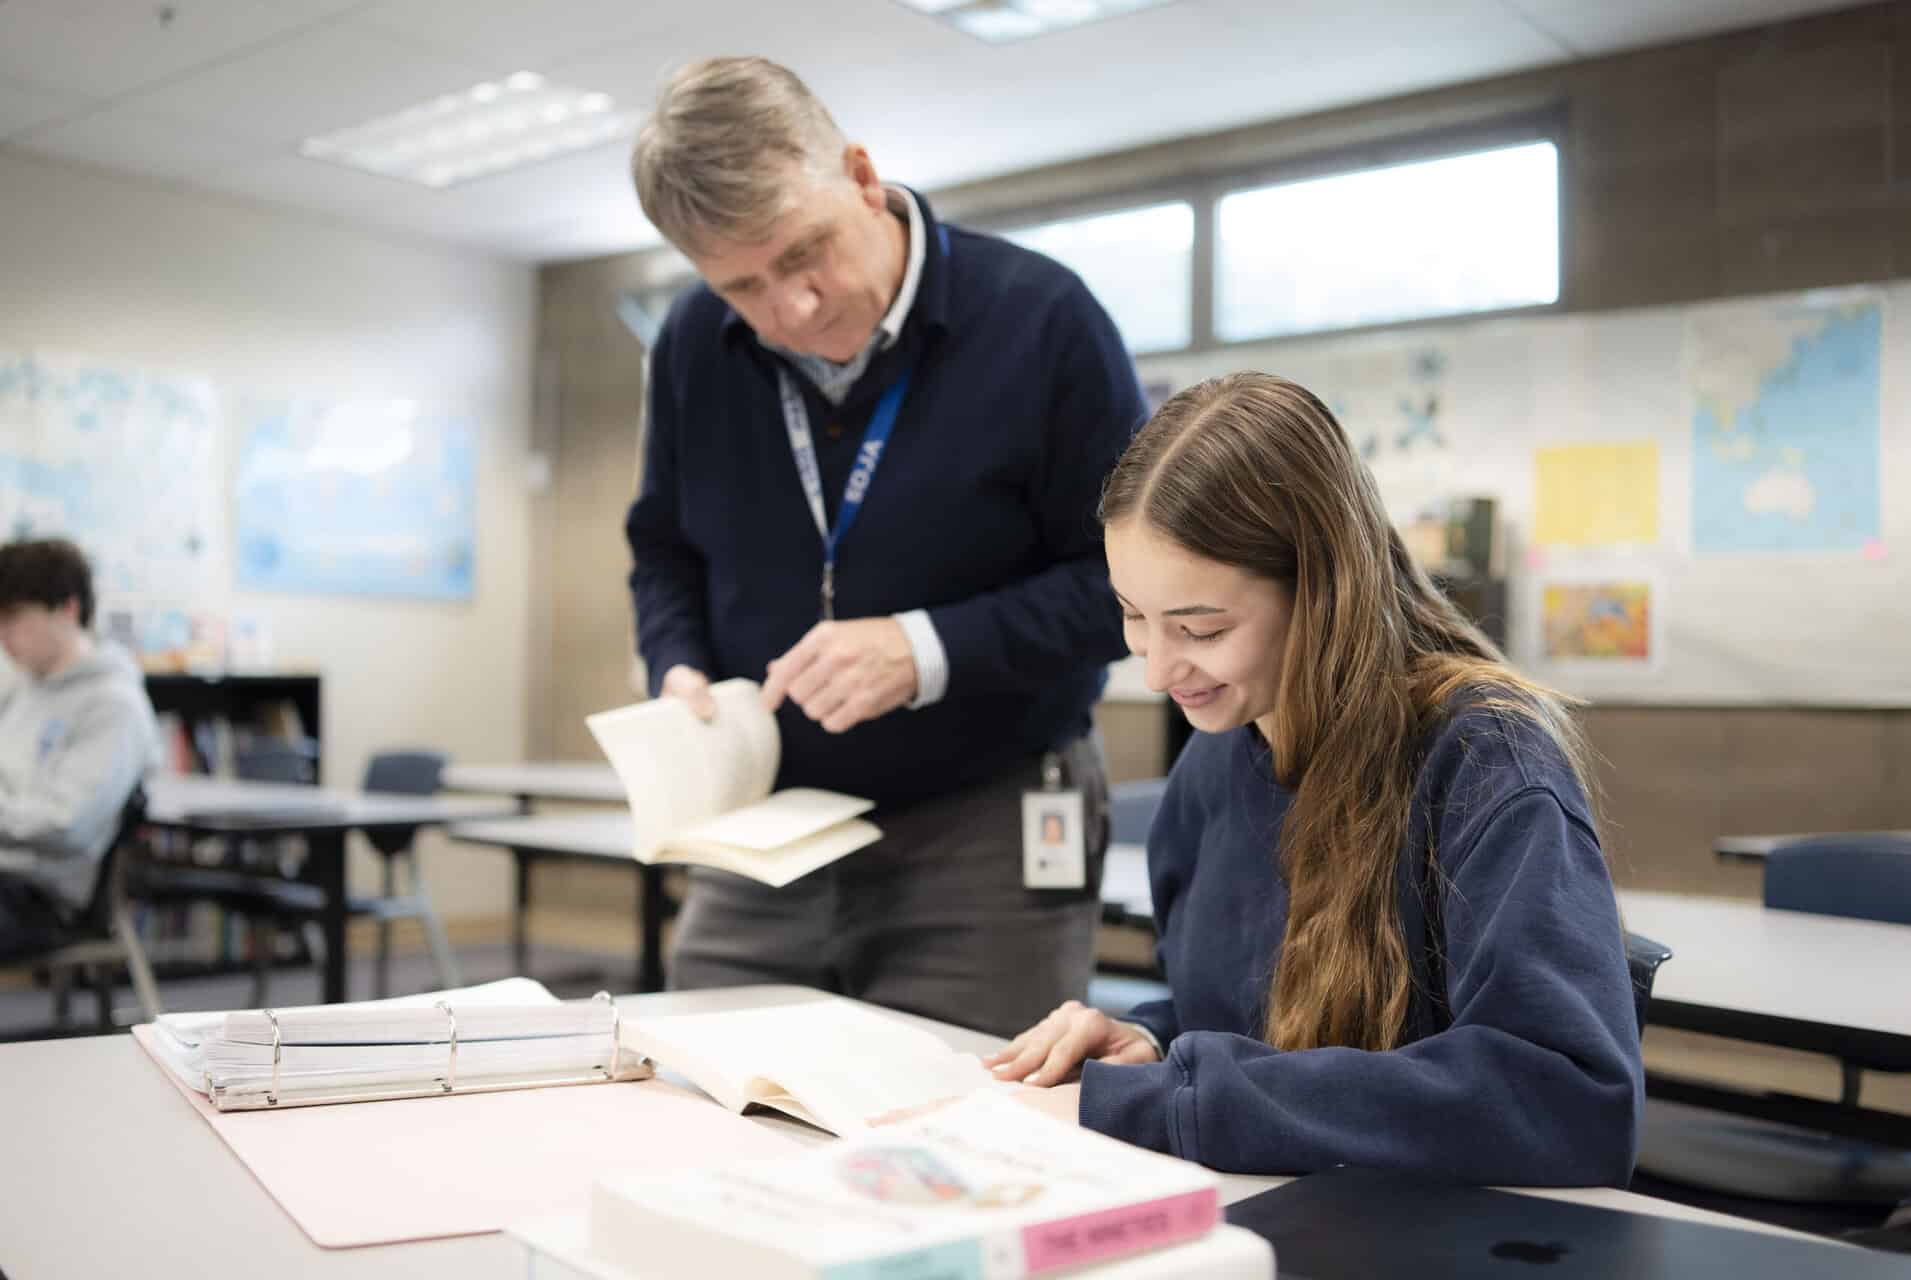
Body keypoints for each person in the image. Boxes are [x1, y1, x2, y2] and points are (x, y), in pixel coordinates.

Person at [987, 373, 1643, 1186]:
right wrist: (1154, 1041)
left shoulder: (1485, 761)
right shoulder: (1217, 756)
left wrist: (1181, 1102)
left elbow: (1568, 1100)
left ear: (1325, 591)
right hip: (1272, 1207)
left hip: (1433, 1232)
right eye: (1132, 615)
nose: (1157, 670)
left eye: (1201, 629)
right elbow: (1251, 1023)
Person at [622, 57, 1145, 1036]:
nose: (792, 309)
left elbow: (1125, 586)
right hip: (767, 821)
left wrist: (926, 649)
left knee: (977, 1107)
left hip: (989, 817)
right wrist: (676, 661)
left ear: (862, 177)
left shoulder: (1042, 319)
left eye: (805, 252)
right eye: (742, 286)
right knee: (711, 1082)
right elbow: (663, 548)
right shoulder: (693, 343)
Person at [0, 538, 159, 956]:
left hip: (43, 897)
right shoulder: (23, 690)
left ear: (68, 610)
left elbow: (67, 824)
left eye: (12, 616)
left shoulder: (114, 705)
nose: (2, 634)